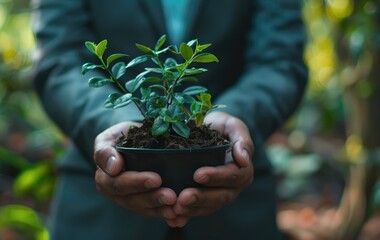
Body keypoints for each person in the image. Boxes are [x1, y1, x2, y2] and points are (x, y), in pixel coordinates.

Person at [31, 0, 308, 239]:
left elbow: (280, 60)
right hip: (100, 216)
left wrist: (234, 118)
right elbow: (59, 59)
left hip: (234, 212)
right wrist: (118, 123)